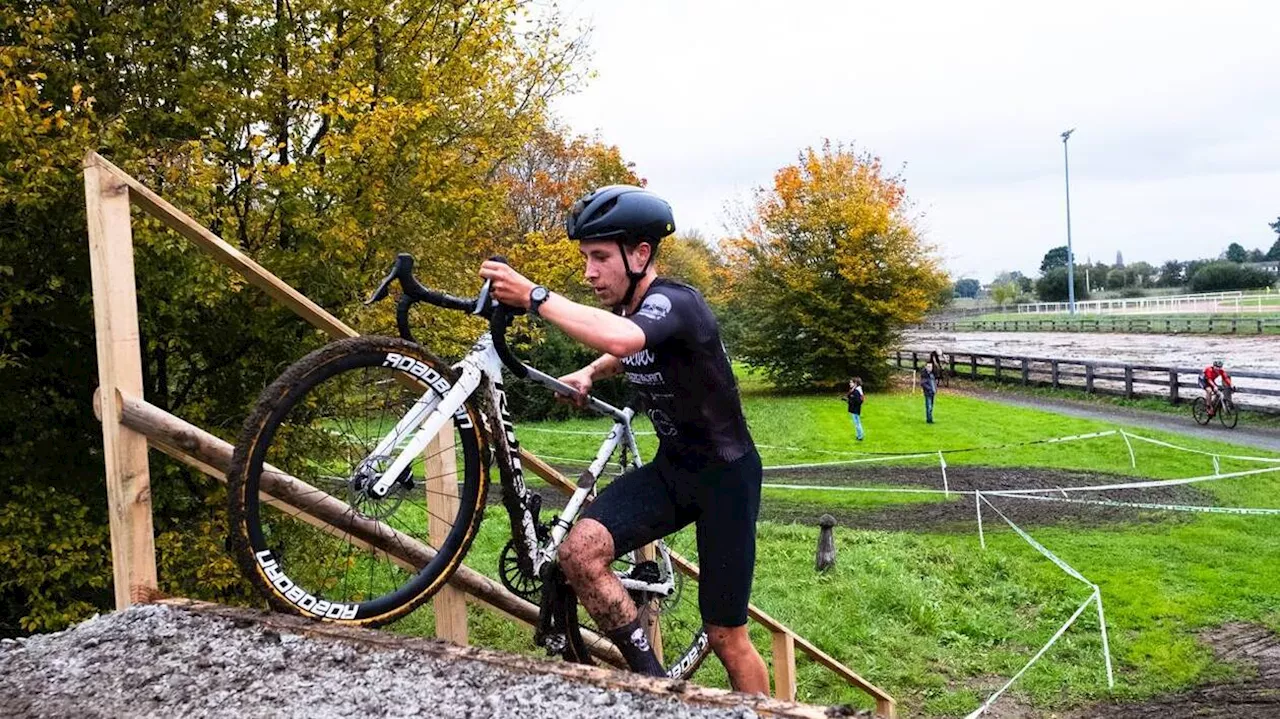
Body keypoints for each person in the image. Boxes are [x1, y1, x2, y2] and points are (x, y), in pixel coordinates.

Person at [478, 185, 769, 693]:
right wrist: (590, 372)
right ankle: (658, 689)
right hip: (673, 471)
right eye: (585, 258)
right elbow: (622, 350)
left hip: (727, 480)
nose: (589, 271)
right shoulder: (636, 314)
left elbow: (623, 339)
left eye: (599, 257)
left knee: (727, 635)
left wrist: (535, 296)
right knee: (578, 553)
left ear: (640, 255)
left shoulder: (676, 302)